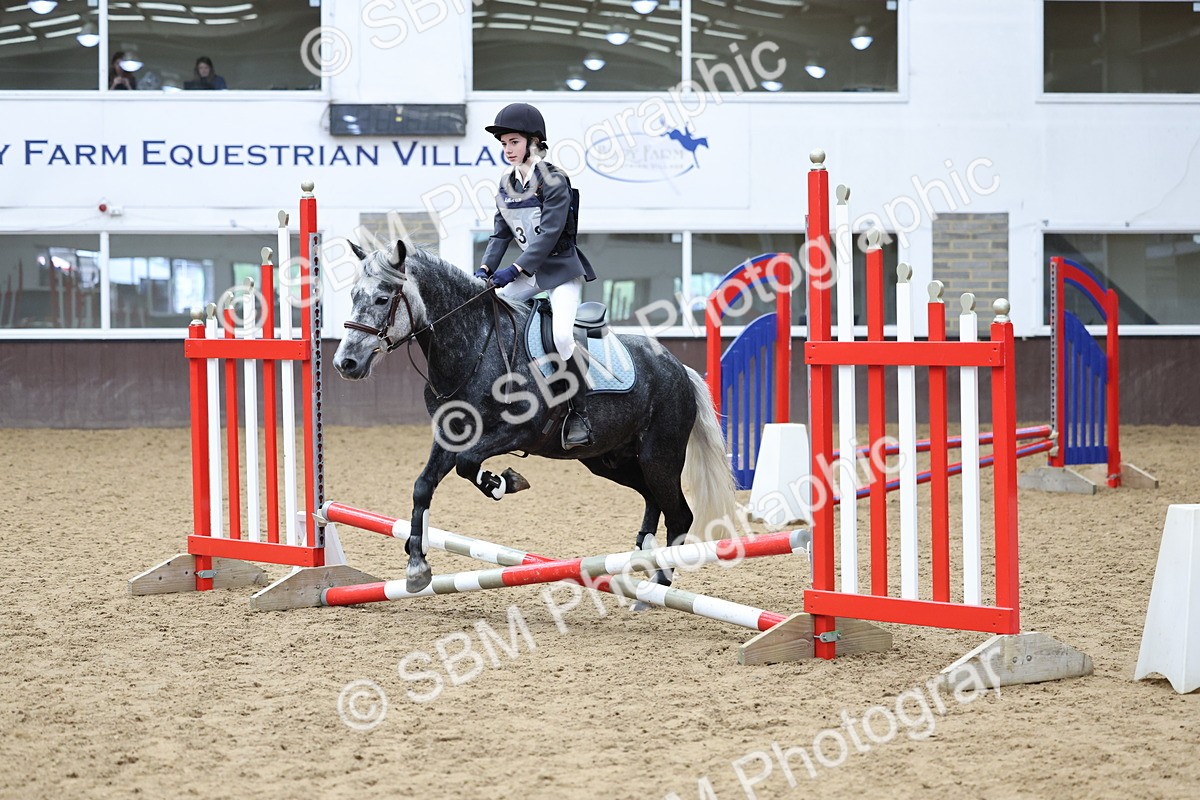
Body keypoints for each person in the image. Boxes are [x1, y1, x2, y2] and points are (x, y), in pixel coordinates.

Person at [477, 103, 597, 450]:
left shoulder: (554, 180)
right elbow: (500, 234)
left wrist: (514, 269)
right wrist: (485, 269)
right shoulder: (506, 183)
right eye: (503, 144)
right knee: (490, 313)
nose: (507, 149)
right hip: (530, 275)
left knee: (561, 337)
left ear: (533, 141)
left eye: (513, 141)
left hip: (560, 272)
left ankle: (579, 412)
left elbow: (549, 235)